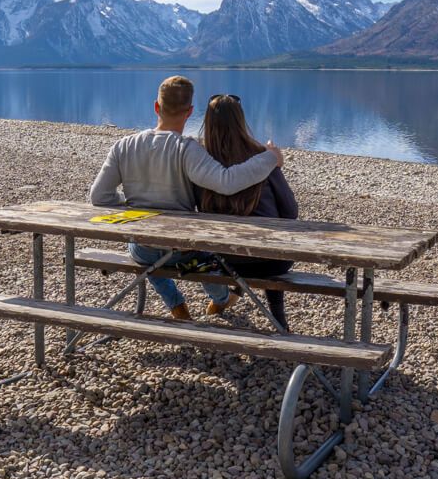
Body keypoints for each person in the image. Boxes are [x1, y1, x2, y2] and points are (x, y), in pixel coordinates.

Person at [89, 76, 284, 320]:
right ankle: (222, 299)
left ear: (156, 106)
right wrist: (269, 158)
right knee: (208, 255)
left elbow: (99, 196)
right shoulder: (187, 149)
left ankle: (176, 305)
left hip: (143, 247)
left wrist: (129, 206)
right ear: (190, 111)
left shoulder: (124, 146)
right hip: (182, 249)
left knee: (147, 257)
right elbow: (227, 182)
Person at [195, 94, 298, 328]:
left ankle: (235, 291)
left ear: (208, 123)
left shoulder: (199, 161)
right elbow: (290, 211)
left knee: (247, 246)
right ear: (241, 121)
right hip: (270, 261)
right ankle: (278, 320)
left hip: (220, 259)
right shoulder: (262, 159)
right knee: (272, 244)